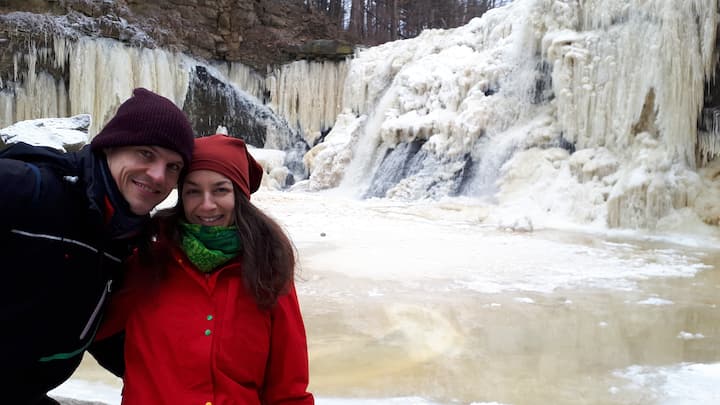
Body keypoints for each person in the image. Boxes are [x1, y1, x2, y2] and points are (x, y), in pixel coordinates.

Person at [0, 87, 195, 404]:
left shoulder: (126, 238)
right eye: (146, 154)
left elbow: (99, 329)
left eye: (173, 166)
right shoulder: (28, 188)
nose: (159, 176)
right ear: (110, 147)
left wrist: (181, 383)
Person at [97, 134, 314, 404]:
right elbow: (86, 328)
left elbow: (288, 388)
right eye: (193, 191)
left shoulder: (267, 270)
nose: (207, 204)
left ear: (239, 195)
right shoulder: (148, 259)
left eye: (220, 190)